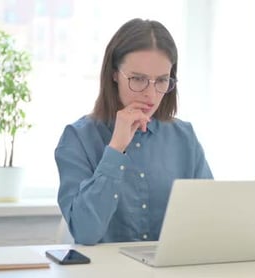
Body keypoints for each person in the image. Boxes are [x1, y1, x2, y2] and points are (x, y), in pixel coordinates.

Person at [54, 18, 213, 245]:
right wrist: (116, 149)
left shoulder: (184, 138)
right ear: (114, 74)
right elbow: (85, 232)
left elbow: (210, 220)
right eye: (138, 79)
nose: (150, 94)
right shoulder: (78, 138)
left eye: (161, 81)